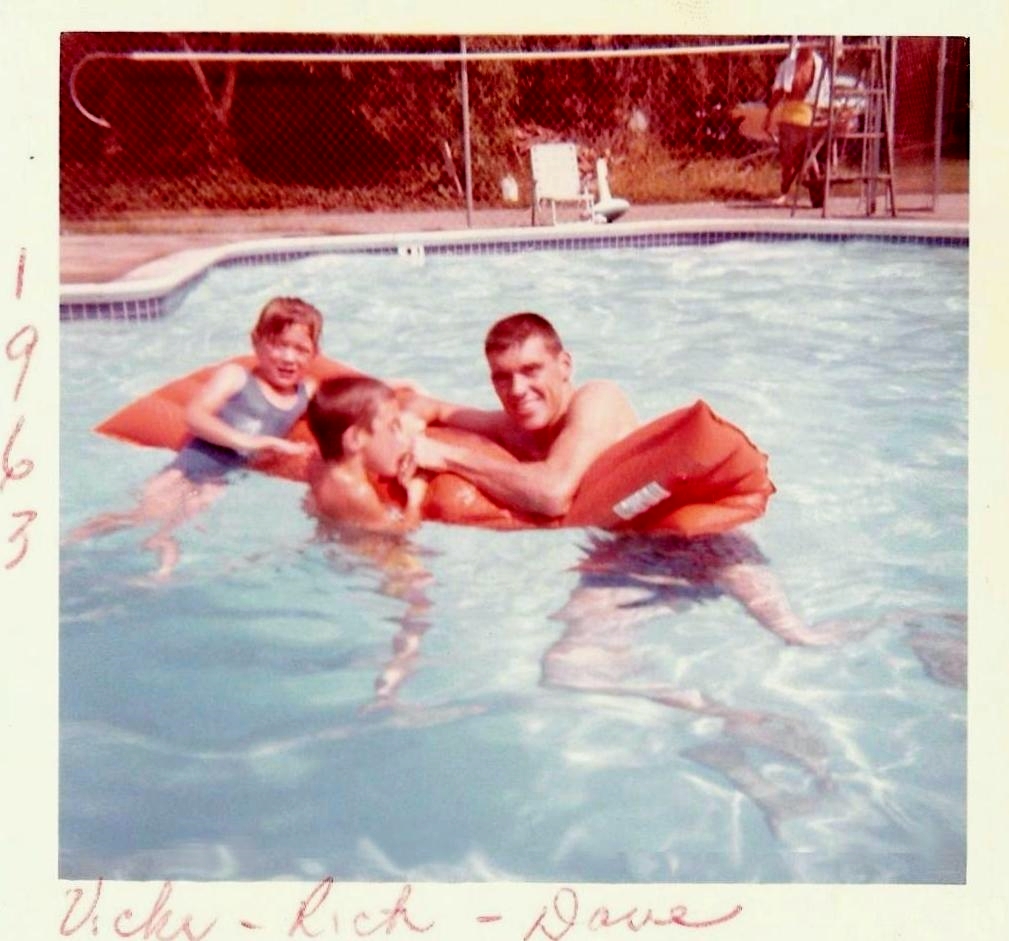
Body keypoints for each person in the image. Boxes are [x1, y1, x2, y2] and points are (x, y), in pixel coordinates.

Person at [66, 296, 323, 580]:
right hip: (186, 469)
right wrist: (258, 443)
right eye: (279, 344)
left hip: (219, 480)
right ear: (256, 342)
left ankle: (157, 572)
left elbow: (345, 411)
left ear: (314, 355)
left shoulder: (306, 392)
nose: (289, 357)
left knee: (178, 528)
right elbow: (196, 417)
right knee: (139, 515)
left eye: (301, 349)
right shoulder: (236, 376)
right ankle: (67, 544)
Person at [410, 312, 639, 518]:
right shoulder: (517, 429)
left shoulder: (599, 399)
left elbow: (553, 495)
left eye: (531, 370)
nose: (516, 389)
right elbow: (436, 409)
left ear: (565, 366)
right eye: (502, 377)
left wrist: (447, 457)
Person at [305, 375, 428, 534]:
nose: (401, 437)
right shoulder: (358, 494)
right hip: (364, 553)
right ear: (356, 438)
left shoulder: (319, 466)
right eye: (393, 427)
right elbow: (399, 532)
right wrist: (415, 499)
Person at [763, 39, 829, 207]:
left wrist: (824, 115)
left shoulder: (819, 66)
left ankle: (817, 191)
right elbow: (778, 92)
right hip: (791, 114)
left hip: (808, 114)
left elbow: (823, 96)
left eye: (812, 39)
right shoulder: (789, 64)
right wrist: (769, 115)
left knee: (808, 153)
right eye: (805, 39)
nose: (809, 43)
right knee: (788, 158)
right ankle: (785, 192)